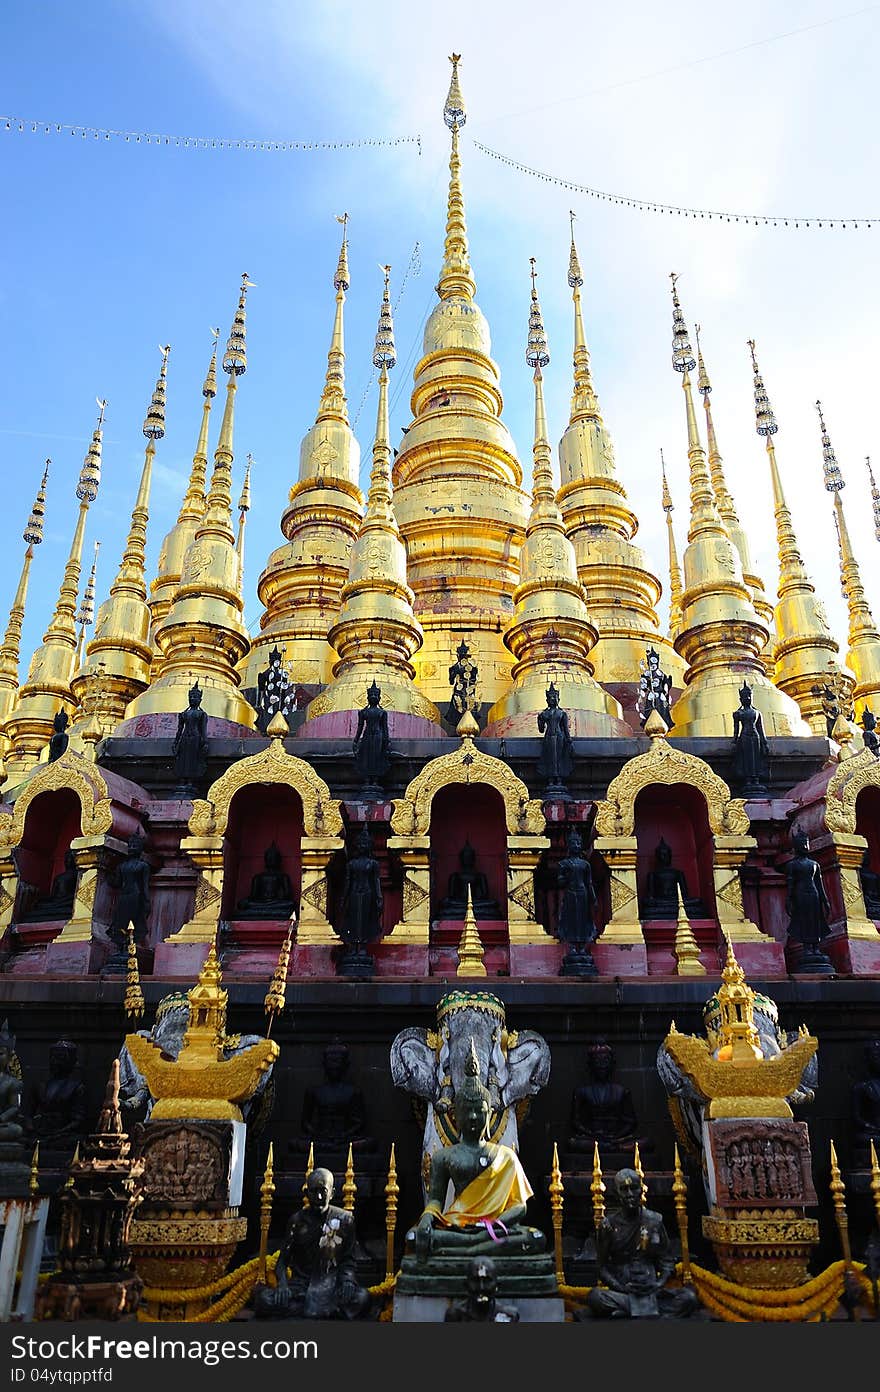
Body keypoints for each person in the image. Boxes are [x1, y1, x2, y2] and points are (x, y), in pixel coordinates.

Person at [409, 1040, 546, 1260]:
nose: (473, 1117)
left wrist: (492, 1225)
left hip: (494, 1228)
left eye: (480, 1111)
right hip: (457, 1225)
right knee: (414, 1238)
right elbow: (436, 1200)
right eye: (467, 1111)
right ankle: (475, 1246)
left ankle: (470, 1247)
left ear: (489, 1114)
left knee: (536, 1238)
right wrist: (427, 1217)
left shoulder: (506, 1157)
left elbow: (519, 1207)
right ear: (456, 1114)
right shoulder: (444, 1157)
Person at [253, 1167, 371, 1320]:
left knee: (363, 1297)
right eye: (314, 1191)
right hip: (302, 1285)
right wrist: (282, 1285)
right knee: (264, 1300)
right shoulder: (297, 1221)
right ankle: (327, 1312)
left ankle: (313, 1310)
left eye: (323, 1191)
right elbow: (282, 1261)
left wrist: (348, 1280)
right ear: (306, 1193)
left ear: (333, 1193)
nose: (319, 1196)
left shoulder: (345, 1220)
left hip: (332, 1284)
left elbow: (348, 1259)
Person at [585, 1168, 700, 1319]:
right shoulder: (608, 1226)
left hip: (651, 1289)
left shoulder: (654, 1220)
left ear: (641, 1190)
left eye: (634, 1188)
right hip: (623, 1290)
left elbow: (666, 1261)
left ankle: (628, 1313)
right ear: (616, 1193)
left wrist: (659, 1283)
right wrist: (620, 1287)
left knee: (688, 1298)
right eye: (624, 1190)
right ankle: (646, 1312)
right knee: (595, 1297)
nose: (630, 1195)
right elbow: (601, 1266)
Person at [568, 1041, 640, 1152]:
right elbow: (576, 1122)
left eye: (605, 1061)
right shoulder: (582, 1092)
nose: (602, 1065)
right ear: (590, 1065)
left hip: (617, 1137)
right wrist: (592, 1134)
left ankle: (615, 1147)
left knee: (645, 1142)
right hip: (592, 1137)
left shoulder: (621, 1091)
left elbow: (631, 1122)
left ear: (612, 1064)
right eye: (597, 1061)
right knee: (572, 1143)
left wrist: (616, 1136)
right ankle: (609, 1147)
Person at [641, 838, 704, 920]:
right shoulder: (653, 874)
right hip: (661, 903)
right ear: (657, 857)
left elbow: (684, 894)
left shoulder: (678, 873)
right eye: (662, 855)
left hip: (676, 902)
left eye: (666, 855)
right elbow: (650, 896)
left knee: (697, 901)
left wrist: (681, 900)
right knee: (647, 907)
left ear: (670, 856)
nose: (664, 857)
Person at [439, 842, 502, 921]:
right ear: (461, 858)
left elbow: (485, 895)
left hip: (476, 903)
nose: (467, 859)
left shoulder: (480, 876)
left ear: (473, 858)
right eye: (465, 857)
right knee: (445, 903)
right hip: (460, 903)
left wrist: (477, 899)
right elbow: (451, 895)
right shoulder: (455, 876)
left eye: (469, 857)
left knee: (493, 903)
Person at [109, 833, 151, 948]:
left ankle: (130, 942)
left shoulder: (142, 866)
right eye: (131, 845)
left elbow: (145, 886)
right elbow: (117, 882)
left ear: (140, 848)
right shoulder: (123, 866)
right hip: (129, 896)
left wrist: (146, 902)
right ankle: (123, 943)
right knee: (123, 921)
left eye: (135, 845)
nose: (132, 847)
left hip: (133, 896)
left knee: (132, 921)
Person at [444, 1257, 520, 1322]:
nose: (481, 1288)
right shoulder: (455, 1315)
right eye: (476, 1281)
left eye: (487, 1281)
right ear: (466, 1285)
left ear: (497, 1285)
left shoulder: (509, 1315)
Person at [235, 844, 296, 920]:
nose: (271, 859)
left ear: (278, 860)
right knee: (242, 904)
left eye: (274, 857)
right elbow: (253, 896)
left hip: (276, 904)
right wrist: (246, 901)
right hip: (260, 904)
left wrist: (280, 896)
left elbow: (287, 895)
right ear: (265, 859)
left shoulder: (283, 876)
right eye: (269, 857)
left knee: (290, 904)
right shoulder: (258, 877)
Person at [731, 682, 770, 792]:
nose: (747, 698)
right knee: (747, 758)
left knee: (755, 758)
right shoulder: (738, 713)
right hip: (744, 736)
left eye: (749, 696)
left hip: (755, 736)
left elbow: (761, 729)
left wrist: (765, 743)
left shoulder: (756, 713)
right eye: (744, 696)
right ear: (741, 699)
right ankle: (748, 779)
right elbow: (736, 730)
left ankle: (756, 779)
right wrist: (734, 742)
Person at [352, 682, 390, 793]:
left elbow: (385, 727)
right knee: (366, 757)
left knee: (377, 757)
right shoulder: (363, 712)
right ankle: (367, 779)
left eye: (375, 695)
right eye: (371, 695)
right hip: (367, 735)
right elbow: (360, 727)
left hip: (378, 736)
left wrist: (386, 740)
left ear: (379, 698)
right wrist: (355, 740)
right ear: (368, 698)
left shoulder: (382, 712)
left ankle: (375, 779)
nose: (373, 697)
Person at [172, 682, 208, 793]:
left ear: (200, 700)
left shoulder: (201, 714)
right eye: (191, 697)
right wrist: (175, 742)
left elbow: (203, 730)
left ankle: (190, 781)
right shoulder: (183, 714)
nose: (192, 699)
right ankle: (182, 779)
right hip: (185, 738)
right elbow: (179, 730)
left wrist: (205, 742)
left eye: (195, 697)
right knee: (183, 758)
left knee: (193, 759)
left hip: (196, 738)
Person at [536, 683, 574, 791]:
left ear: (558, 699)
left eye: (555, 697)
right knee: (550, 758)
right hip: (548, 736)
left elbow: (565, 728)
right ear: (547, 700)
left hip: (559, 737)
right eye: (550, 697)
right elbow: (541, 730)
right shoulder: (544, 714)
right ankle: (551, 779)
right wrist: (539, 720)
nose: (553, 699)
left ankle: (559, 778)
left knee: (559, 757)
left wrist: (569, 739)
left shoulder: (561, 713)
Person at [447, 640, 478, 724]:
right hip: (459, 690)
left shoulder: (473, 668)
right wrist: (454, 674)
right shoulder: (453, 668)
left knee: (469, 706)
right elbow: (451, 681)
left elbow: (474, 680)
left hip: (468, 689)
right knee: (457, 706)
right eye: (461, 655)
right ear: (458, 656)